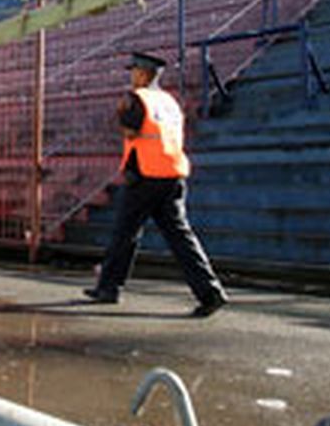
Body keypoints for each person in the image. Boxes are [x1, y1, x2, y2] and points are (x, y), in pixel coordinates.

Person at [83, 51, 229, 318]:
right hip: (173, 174)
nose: (131, 75)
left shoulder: (136, 98)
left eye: (134, 71)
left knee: (124, 232)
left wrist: (121, 115)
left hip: (145, 175)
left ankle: (109, 288)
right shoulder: (170, 101)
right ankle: (211, 292)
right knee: (180, 236)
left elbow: (130, 131)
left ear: (142, 73)